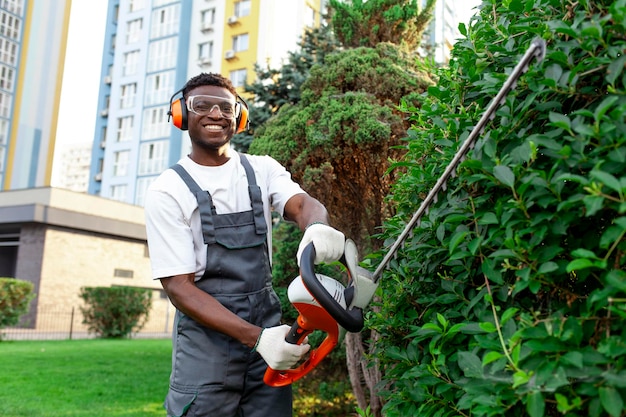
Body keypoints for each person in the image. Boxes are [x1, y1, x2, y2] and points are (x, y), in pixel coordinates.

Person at [144, 72, 346, 417]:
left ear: (239, 117)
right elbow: (179, 288)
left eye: (226, 106)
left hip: (267, 328)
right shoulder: (167, 190)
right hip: (205, 345)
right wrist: (256, 339)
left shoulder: (260, 169)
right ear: (181, 115)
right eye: (201, 105)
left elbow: (302, 204)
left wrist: (316, 226)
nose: (215, 114)